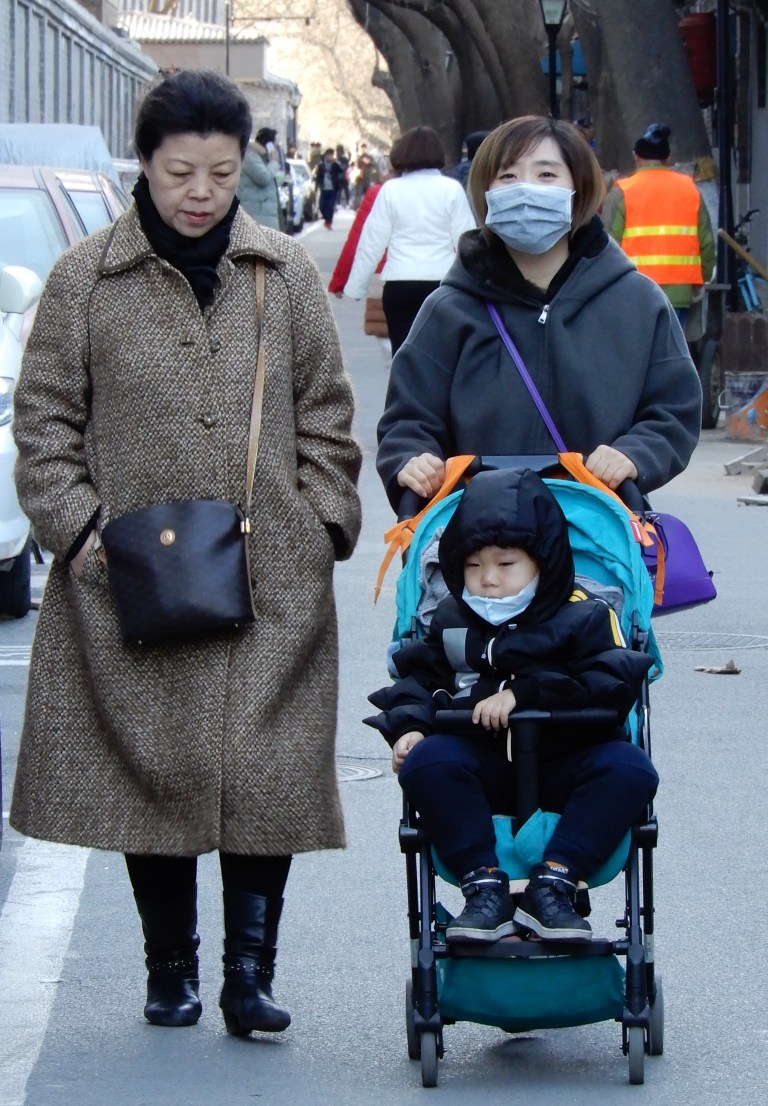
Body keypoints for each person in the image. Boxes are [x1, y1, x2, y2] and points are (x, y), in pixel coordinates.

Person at [10, 69, 362, 1035]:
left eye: (220, 172)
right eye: (180, 173)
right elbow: (44, 423)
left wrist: (319, 522)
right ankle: (170, 970)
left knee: (265, 773)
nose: (201, 193)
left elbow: (326, 413)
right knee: (152, 774)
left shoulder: (282, 273)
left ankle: (251, 976)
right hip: (135, 575)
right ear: (145, 165)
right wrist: (85, 535)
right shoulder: (86, 278)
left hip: (271, 574)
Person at [366, 467, 657, 942]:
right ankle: (483, 887)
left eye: (505, 565)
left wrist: (526, 693)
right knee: (427, 761)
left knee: (631, 769)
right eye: (473, 566)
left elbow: (610, 682)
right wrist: (410, 727)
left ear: (543, 564)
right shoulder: (451, 618)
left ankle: (556, 882)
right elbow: (421, 680)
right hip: (482, 766)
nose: (488, 580)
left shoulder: (584, 615)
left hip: (565, 760)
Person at [376, 115, 702, 513]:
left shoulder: (638, 304)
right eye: (508, 176)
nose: (526, 188)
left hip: (599, 528)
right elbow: (408, 420)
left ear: (578, 189)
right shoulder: (448, 310)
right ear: (485, 193)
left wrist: (635, 455)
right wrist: (413, 460)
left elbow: (674, 409)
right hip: (478, 534)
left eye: (546, 174)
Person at [343, 126, 476, 355]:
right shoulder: (451, 189)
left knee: (403, 354)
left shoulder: (391, 190)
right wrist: (477, 285)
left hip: (400, 284)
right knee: (442, 355)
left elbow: (372, 243)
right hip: (442, 283)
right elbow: (467, 241)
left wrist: (356, 286)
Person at [601, 123, 716, 329]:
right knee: (670, 346)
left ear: (636, 156)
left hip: (633, 291)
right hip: (678, 292)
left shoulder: (622, 192)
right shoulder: (690, 190)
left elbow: (607, 244)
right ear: (668, 158)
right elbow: (706, 243)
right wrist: (701, 279)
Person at [238, 126, 283, 231]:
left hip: (263, 213)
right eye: (274, 144)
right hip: (257, 214)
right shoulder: (250, 156)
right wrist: (274, 162)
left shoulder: (261, 157)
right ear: (269, 144)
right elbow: (264, 178)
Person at [314, 147, 345, 229]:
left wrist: (337, 163)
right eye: (328, 155)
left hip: (333, 189)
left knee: (330, 206)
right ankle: (326, 219)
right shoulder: (321, 166)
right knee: (322, 206)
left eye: (331, 155)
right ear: (325, 156)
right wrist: (316, 187)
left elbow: (342, 171)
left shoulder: (335, 165)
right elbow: (318, 177)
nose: (329, 157)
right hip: (324, 189)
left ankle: (329, 222)